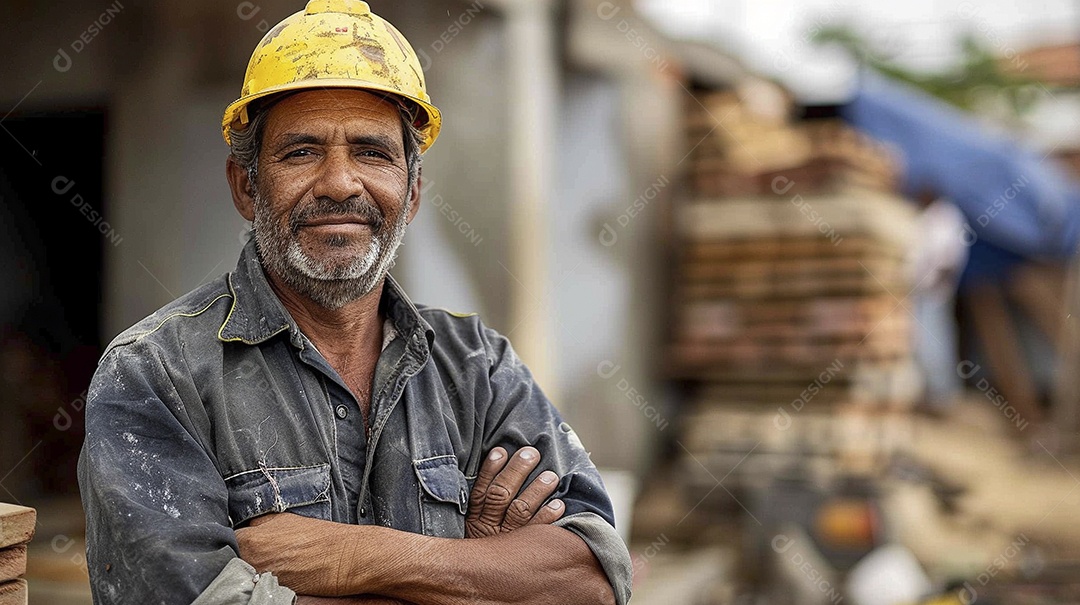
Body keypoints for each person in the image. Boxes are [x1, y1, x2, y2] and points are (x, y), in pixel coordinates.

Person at [77, 1, 632, 603]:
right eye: (301, 151)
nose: (340, 182)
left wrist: (353, 558)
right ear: (246, 186)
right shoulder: (155, 373)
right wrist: (479, 572)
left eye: (372, 152)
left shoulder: (479, 367)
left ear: (412, 191)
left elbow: (593, 580)